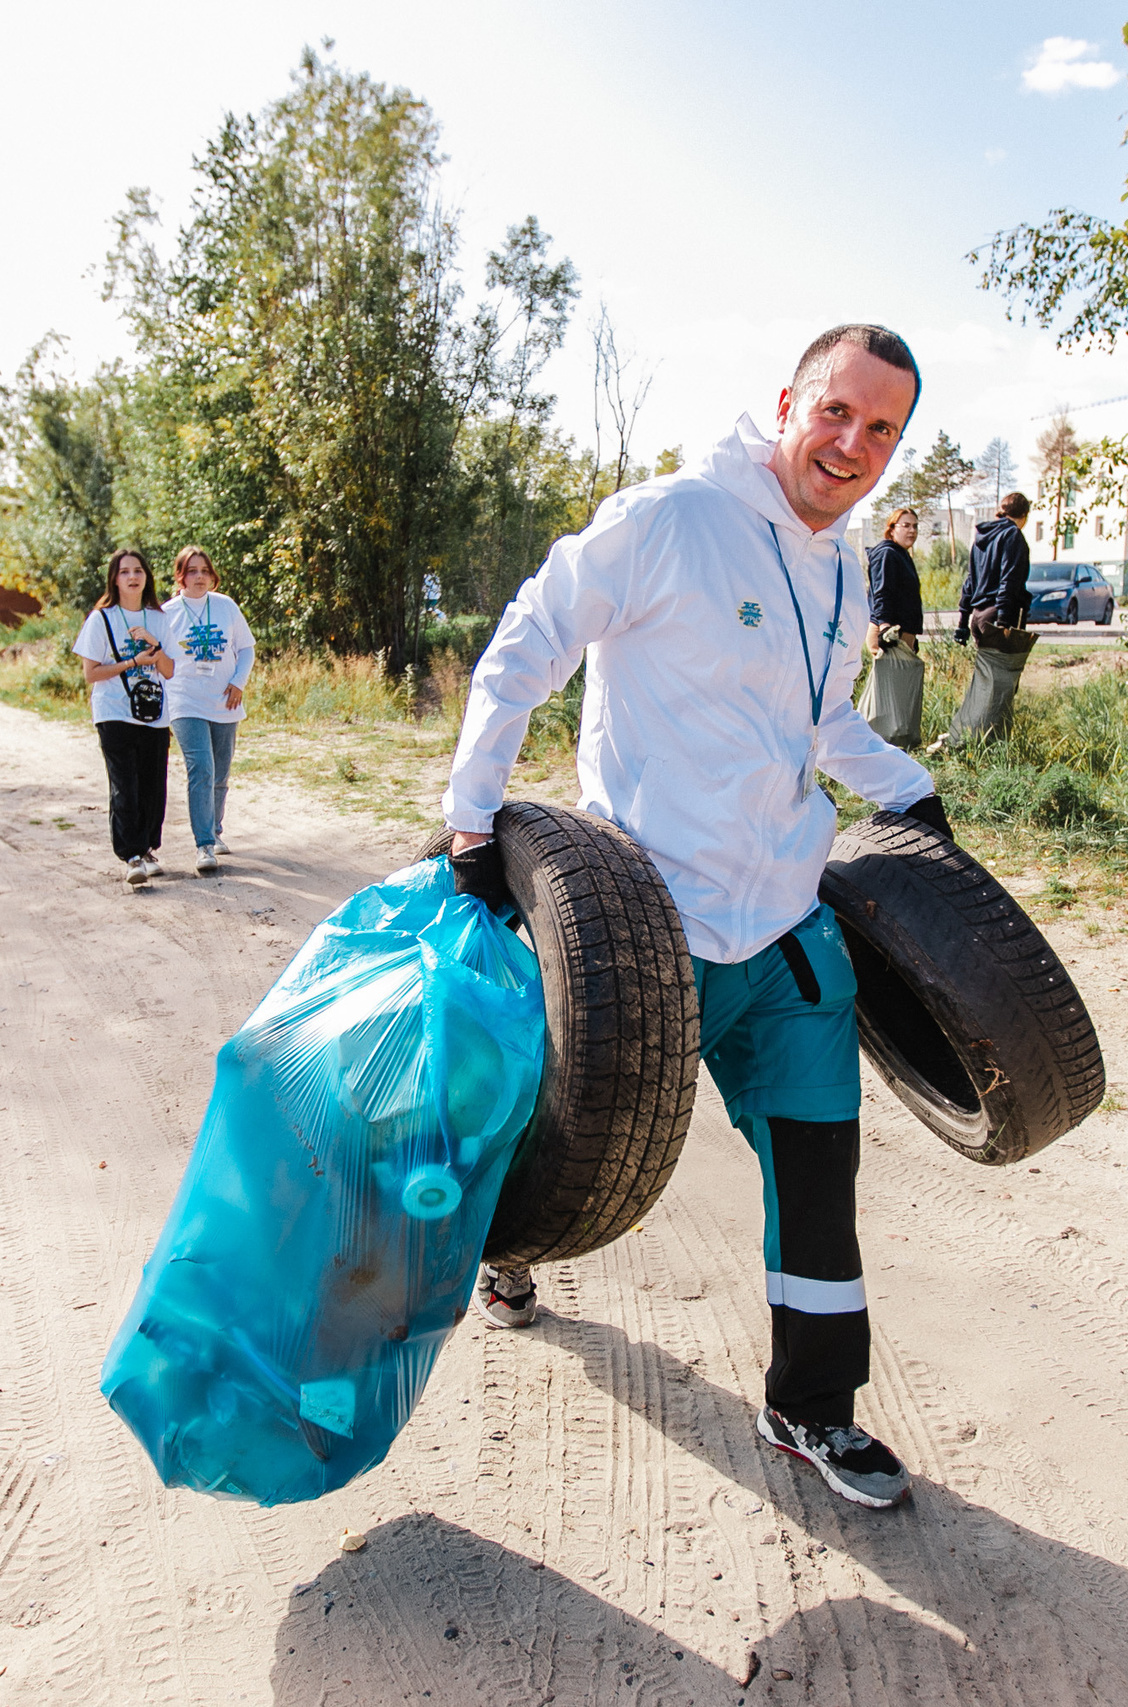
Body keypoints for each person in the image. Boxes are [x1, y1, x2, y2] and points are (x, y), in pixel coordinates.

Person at [439, 323, 968, 1511]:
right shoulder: (669, 518)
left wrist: (904, 788)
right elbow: (529, 641)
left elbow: (820, 719)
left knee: (818, 1164)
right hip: (641, 927)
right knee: (560, 1140)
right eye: (836, 411)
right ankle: (508, 1251)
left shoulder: (841, 568)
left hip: (783, 924)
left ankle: (813, 1406)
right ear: (788, 403)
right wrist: (473, 819)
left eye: (881, 429)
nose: (852, 444)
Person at [74, 549, 178, 885]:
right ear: (114, 579)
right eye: (124, 572)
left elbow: (169, 670)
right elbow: (91, 673)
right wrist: (132, 662)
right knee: (125, 785)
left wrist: (154, 646)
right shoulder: (101, 619)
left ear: (147, 577)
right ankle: (131, 855)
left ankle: (147, 849)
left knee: (153, 785)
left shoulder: (159, 618)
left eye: (138, 571)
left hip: (153, 713)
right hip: (114, 711)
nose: (132, 577)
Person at [160, 546, 254, 873]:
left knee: (220, 773)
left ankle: (214, 829)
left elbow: (246, 648)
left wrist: (239, 682)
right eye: (192, 571)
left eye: (204, 571)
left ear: (212, 576)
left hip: (225, 700)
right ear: (180, 576)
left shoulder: (226, 606)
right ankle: (204, 845)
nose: (199, 577)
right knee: (201, 767)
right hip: (185, 700)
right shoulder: (167, 613)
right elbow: (159, 660)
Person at [936, 491, 1036, 751]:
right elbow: (1009, 581)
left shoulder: (981, 537)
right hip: (1000, 616)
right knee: (1002, 685)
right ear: (1024, 515)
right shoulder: (1013, 536)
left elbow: (970, 581)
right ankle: (987, 744)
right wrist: (1003, 622)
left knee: (985, 682)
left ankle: (971, 737)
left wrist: (963, 621)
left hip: (979, 616)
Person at [856, 506, 925, 747]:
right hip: (889, 633)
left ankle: (889, 745)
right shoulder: (887, 554)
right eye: (906, 525)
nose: (912, 531)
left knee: (895, 698)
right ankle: (870, 744)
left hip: (899, 634)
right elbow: (882, 593)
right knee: (884, 700)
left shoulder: (900, 554)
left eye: (915, 526)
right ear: (892, 529)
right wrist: (885, 628)